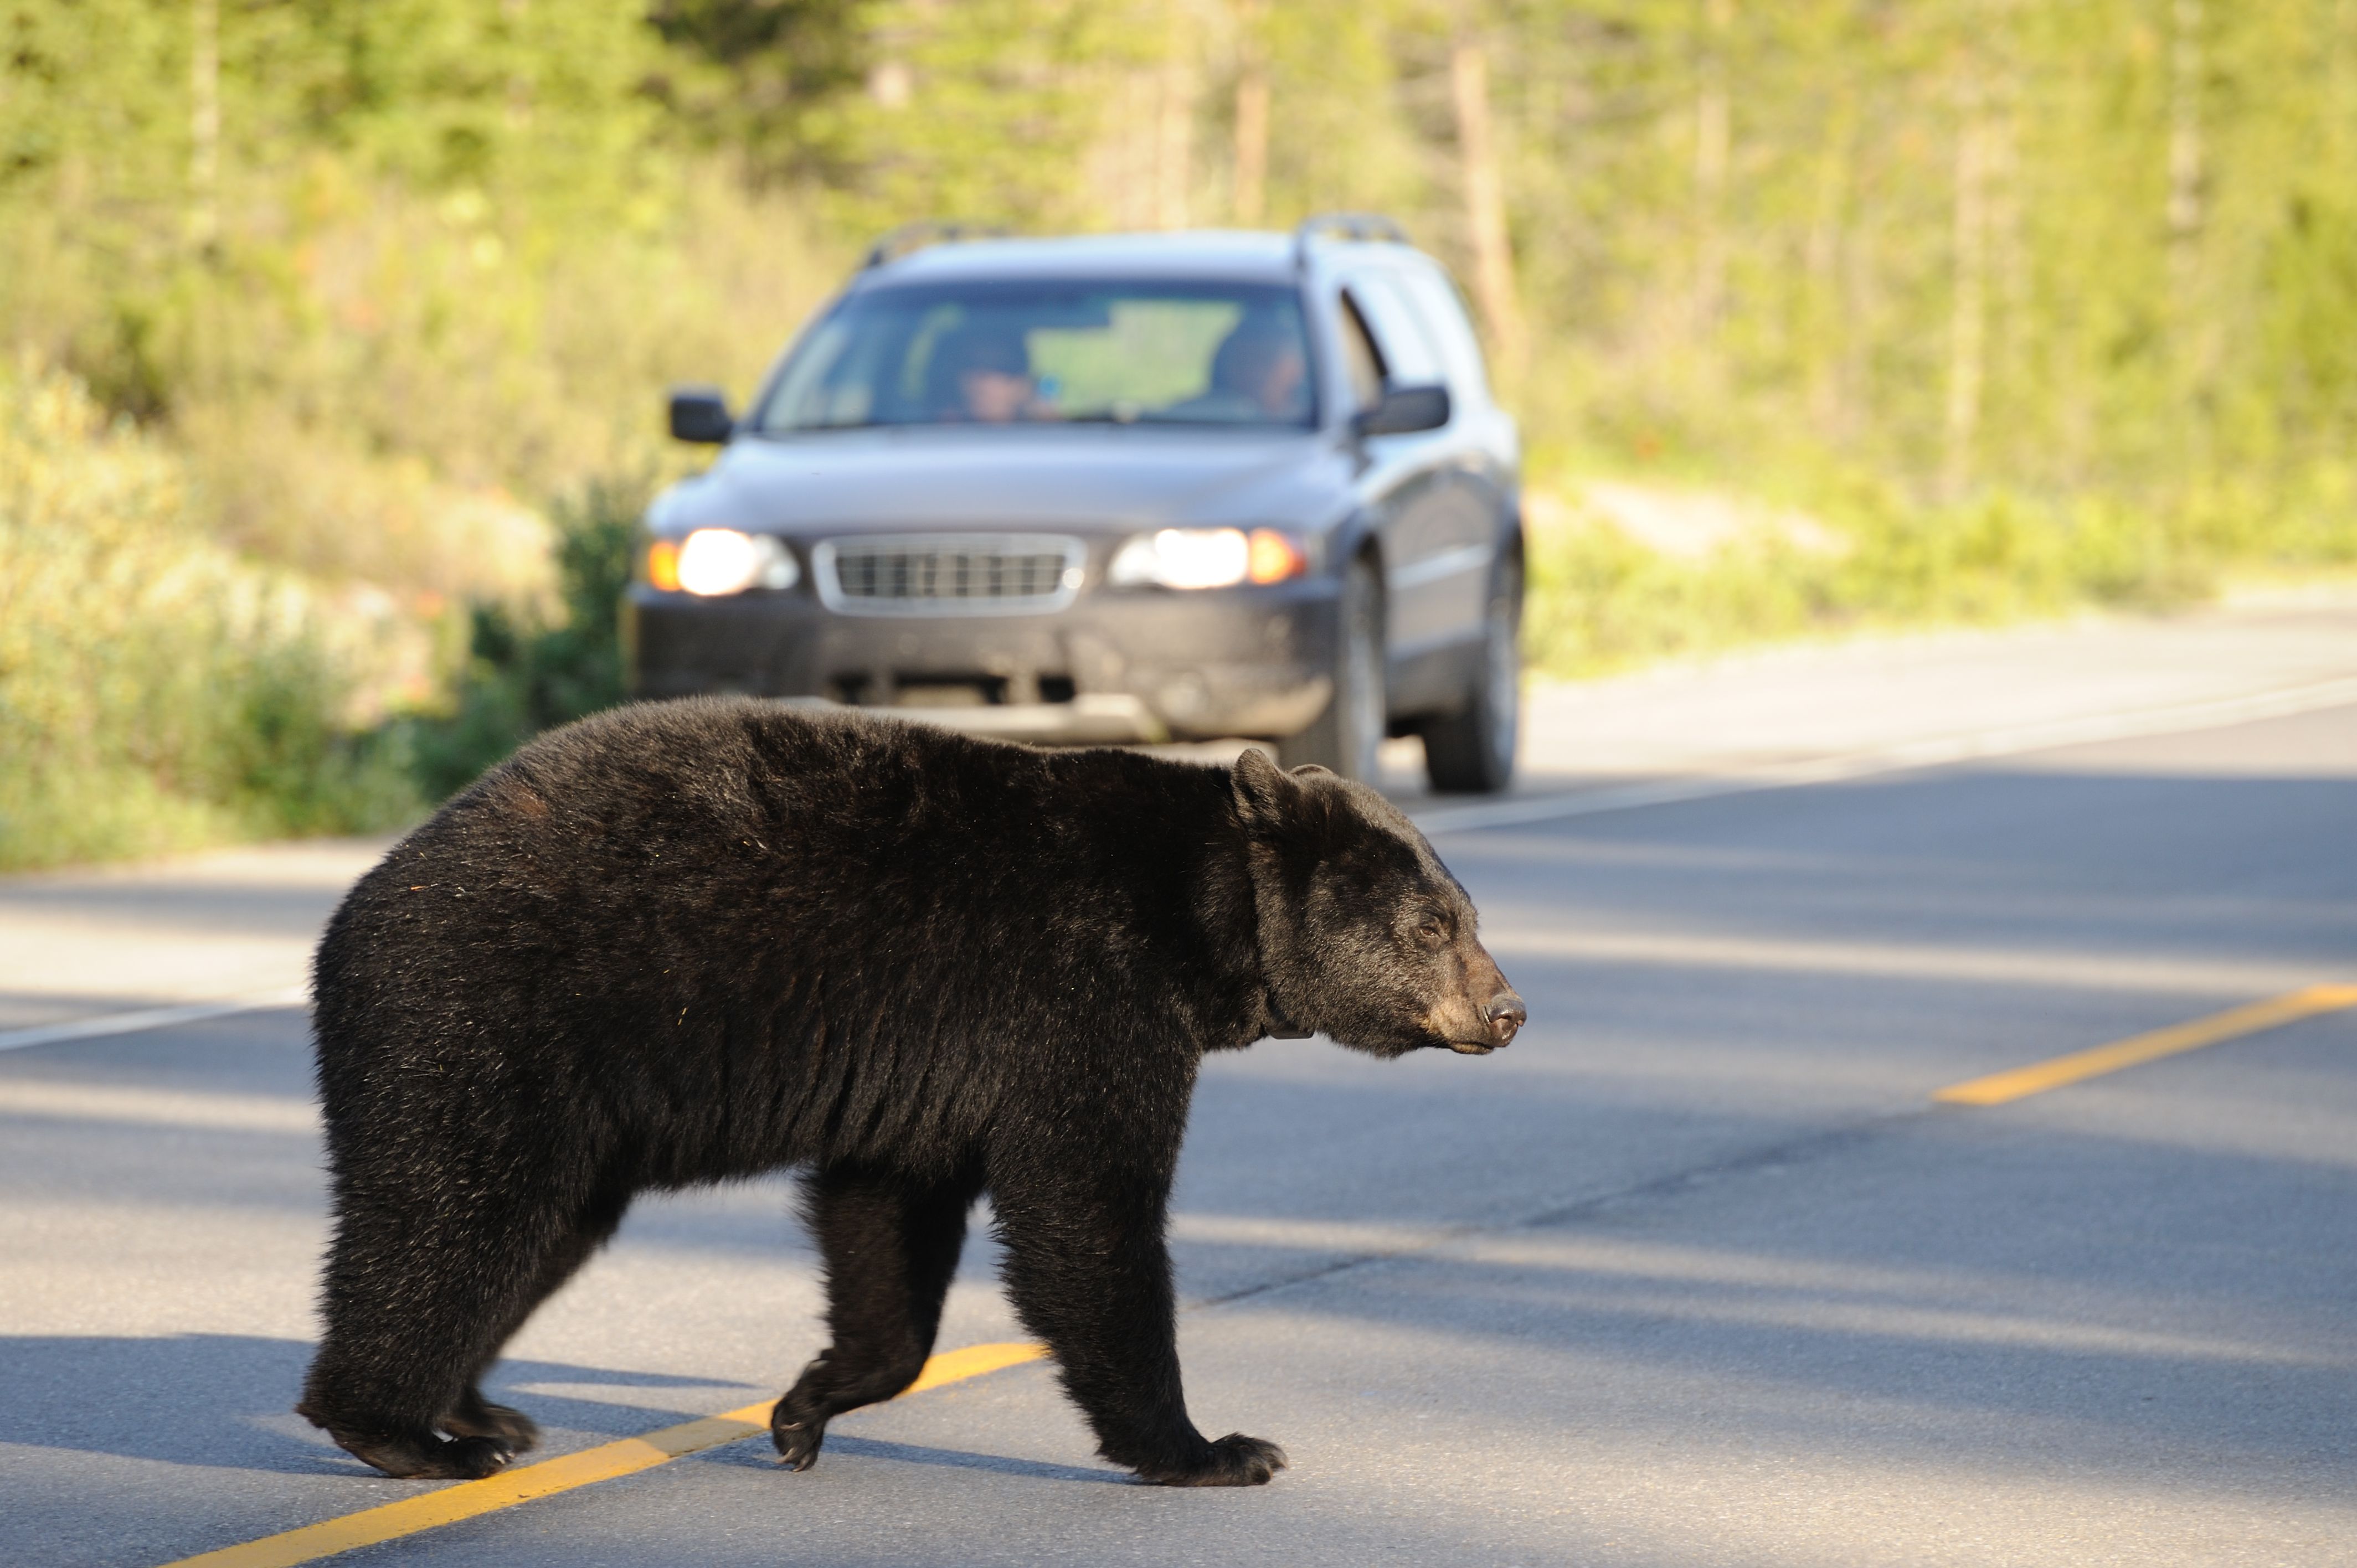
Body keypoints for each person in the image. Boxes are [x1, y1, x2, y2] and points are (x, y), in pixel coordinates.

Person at [1174, 312, 1310, 423]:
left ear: (1299, 369)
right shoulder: (1188, 420)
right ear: (1226, 366)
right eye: (1246, 359)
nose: (1256, 371)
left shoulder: (1315, 428)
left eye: (1268, 358)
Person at [925, 322, 1056, 422]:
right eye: (969, 364)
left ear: (1021, 384)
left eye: (995, 366)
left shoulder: (1048, 443)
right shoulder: (929, 439)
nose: (979, 379)